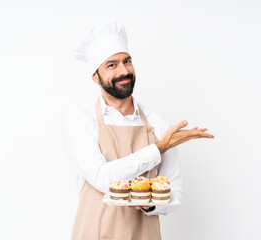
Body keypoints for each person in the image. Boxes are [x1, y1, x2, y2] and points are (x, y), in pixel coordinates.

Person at [60, 21, 214, 240]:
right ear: (95, 76)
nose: (124, 71)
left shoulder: (157, 123)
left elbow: (175, 192)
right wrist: (159, 148)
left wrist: (151, 205)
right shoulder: (81, 117)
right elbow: (102, 178)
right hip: (94, 233)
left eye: (127, 61)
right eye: (111, 65)